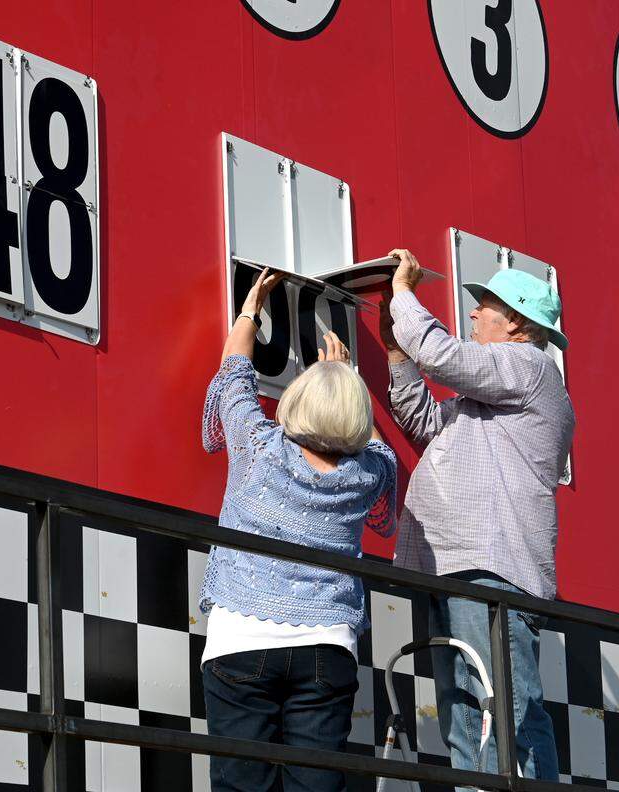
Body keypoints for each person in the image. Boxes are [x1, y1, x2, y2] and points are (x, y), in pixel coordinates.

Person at [380, 248, 574, 785]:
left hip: (491, 569)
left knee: (504, 710)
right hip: (460, 565)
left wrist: (402, 294)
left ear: (514, 322)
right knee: (470, 713)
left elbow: (442, 356)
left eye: (482, 306)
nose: (472, 315)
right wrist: (398, 355)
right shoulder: (488, 403)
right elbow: (424, 422)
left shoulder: (529, 365)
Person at [200, 268, 397, 792]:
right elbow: (381, 451)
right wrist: (349, 382)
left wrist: (251, 307)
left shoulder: (259, 451)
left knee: (242, 785)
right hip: (326, 646)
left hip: (240, 637)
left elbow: (235, 373)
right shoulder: (365, 476)